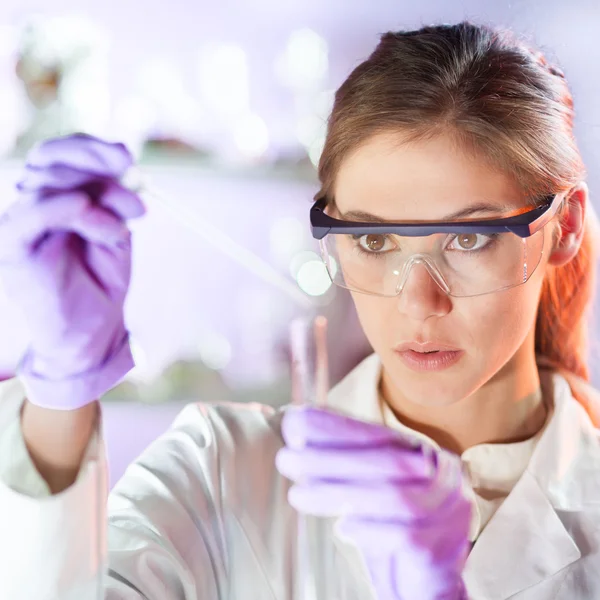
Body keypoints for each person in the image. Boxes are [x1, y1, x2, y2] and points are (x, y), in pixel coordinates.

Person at [0, 20, 599, 600]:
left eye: (469, 238)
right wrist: (62, 389)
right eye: (372, 240)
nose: (418, 303)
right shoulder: (220, 471)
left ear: (564, 227)